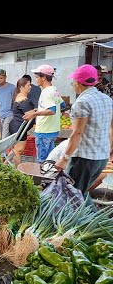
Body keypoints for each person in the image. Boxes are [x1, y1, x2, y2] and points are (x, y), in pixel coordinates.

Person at [54, 64, 113, 199]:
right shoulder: (107, 99)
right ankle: (92, 216)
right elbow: (111, 127)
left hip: (85, 159)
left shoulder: (82, 102)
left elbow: (77, 133)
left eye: (73, 81)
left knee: (70, 196)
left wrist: (64, 159)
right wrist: (109, 149)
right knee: (79, 193)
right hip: (101, 157)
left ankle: (90, 218)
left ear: (78, 83)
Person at [23, 65, 65, 164]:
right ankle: (49, 178)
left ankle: (42, 179)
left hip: (44, 132)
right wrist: (40, 109)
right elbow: (61, 105)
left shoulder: (46, 92)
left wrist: (34, 114)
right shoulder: (54, 89)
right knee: (50, 160)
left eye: (37, 77)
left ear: (44, 77)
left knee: (42, 161)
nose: (36, 80)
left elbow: (52, 110)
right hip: (52, 131)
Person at [9, 78, 36, 166]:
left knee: (15, 149)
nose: (30, 87)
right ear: (22, 87)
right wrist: (39, 112)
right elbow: (29, 114)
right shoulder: (22, 100)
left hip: (17, 126)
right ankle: (18, 170)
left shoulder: (20, 97)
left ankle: (3, 164)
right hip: (19, 127)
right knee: (19, 150)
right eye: (28, 85)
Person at [0, 69, 16, 140]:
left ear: (5, 77)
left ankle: (4, 151)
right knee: (2, 136)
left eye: (1, 78)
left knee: (4, 136)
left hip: (9, 114)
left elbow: (15, 100)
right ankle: (6, 150)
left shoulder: (12, 87)